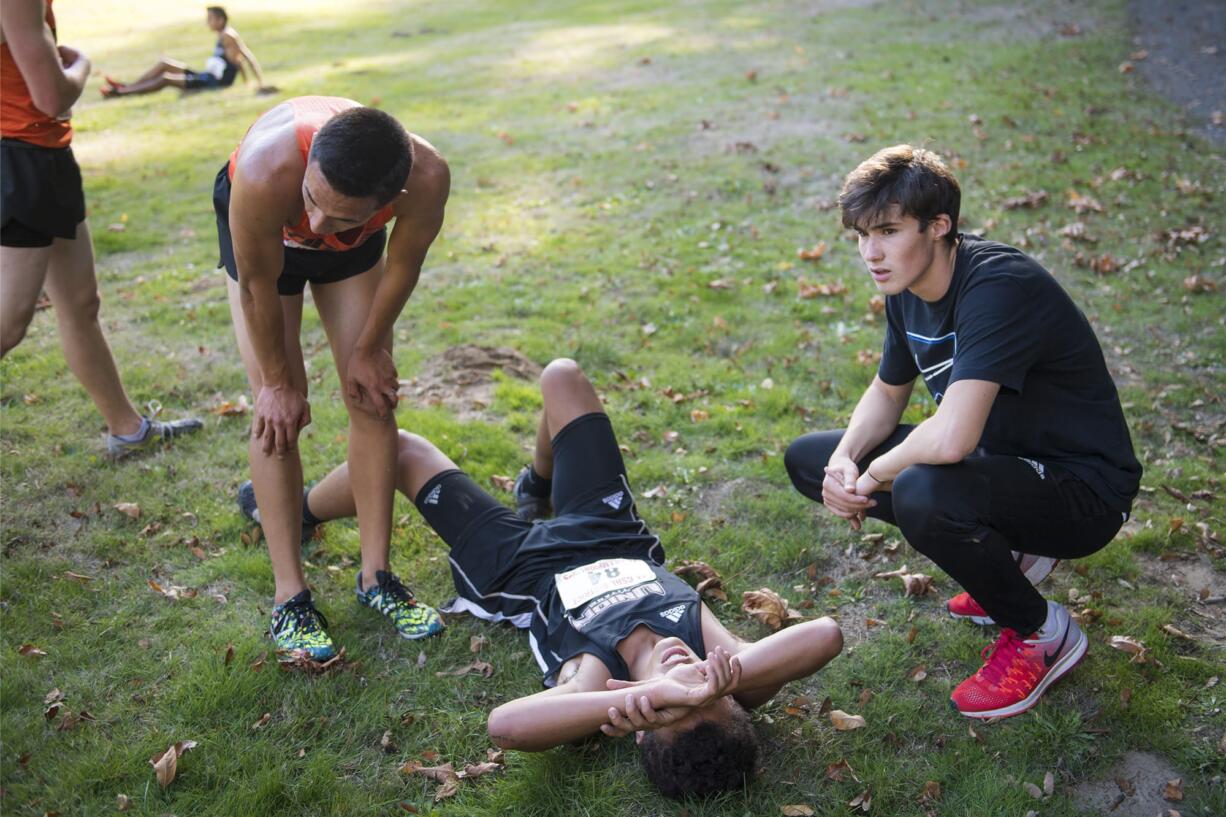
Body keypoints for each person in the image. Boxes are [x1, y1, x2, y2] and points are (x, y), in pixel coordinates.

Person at [241, 358, 844, 797]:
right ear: (733, 699)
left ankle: (295, 510)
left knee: (399, 450)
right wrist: (716, 685)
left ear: (640, 727)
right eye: (708, 696)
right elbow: (825, 635)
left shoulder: (599, 681)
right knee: (562, 378)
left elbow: (504, 725)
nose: (687, 678)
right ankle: (538, 481)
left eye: (676, 706)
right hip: (610, 532)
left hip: (516, 562)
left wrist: (645, 696)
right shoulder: (720, 660)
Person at [784, 145, 1142, 720]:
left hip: (1084, 490)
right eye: (859, 235)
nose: (870, 253)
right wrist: (846, 462)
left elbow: (950, 437)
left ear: (940, 225)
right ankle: (1005, 555)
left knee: (921, 489)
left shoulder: (999, 287)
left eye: (888, 231)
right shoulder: (905, 289)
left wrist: (874, 474)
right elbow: (886, 392)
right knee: (809, 460)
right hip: (1003, 462)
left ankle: (1041, 633)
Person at [217, 95, 450, 660]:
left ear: (390, 203)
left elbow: (404, 264)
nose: (319, 225)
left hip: (354, 253)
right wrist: (276, 382)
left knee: (372, 398)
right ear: (310, 167)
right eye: (314, 202)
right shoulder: (266, 172)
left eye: (339, 215)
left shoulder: (426, 177)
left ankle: (376, 578)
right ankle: (290, 598)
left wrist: (370, 348)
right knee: (279, 415)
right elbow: (257, 287)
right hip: (269, 249)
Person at [1, 0, 203, 456]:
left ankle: (128, 431)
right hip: (21, 159)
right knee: (9, 322)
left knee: (79, 302)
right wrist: (82, 65)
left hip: (40, 154)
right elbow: (52, 96)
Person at [101, 6, 268, 98]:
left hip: (213, 81)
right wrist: (248, 81)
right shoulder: (223, 35)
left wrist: (256, 83)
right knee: (164, 64)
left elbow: (243, 58)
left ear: (221, 20)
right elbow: (239, 60)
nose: (207, 22)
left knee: (166, 79)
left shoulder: (229, 36)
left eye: (210, 19)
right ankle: (128, 86)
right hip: (208, 75)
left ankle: (122, 92)